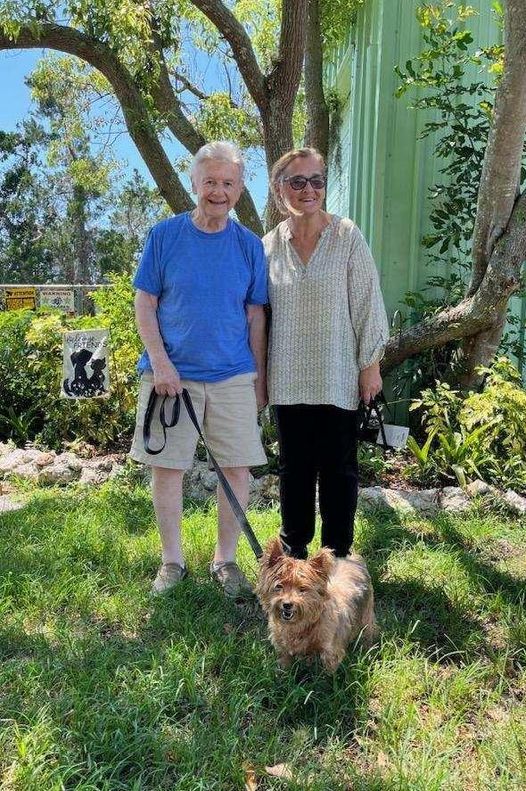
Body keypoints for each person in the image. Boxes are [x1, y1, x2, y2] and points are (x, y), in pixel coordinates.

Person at [129, 141, 268, 596]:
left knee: (237, 470)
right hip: (170, 378)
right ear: (193, 184)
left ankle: (225, 561)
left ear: (240, 188)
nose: (218, 191)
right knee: (167, 470)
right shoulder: (164, 236)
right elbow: (145, 303)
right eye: (209, 181)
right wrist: (163, 366)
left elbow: (255, 316)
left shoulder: (248, 246)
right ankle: (172, 563)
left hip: (232, 376)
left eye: (228, 183)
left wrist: (258, 380)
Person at [263, 147, 389, 560]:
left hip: (338, 374)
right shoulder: (268, 247)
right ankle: (295, 555)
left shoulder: (346, 235)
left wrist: (369, 366)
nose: (308, 189)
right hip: (287, 377)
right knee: (293, 471)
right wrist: (259, 379)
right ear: (280, 188)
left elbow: (367, 302)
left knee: (338, 472)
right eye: (297, 181)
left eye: (316, 180)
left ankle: (336, 557)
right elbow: (258, 317)